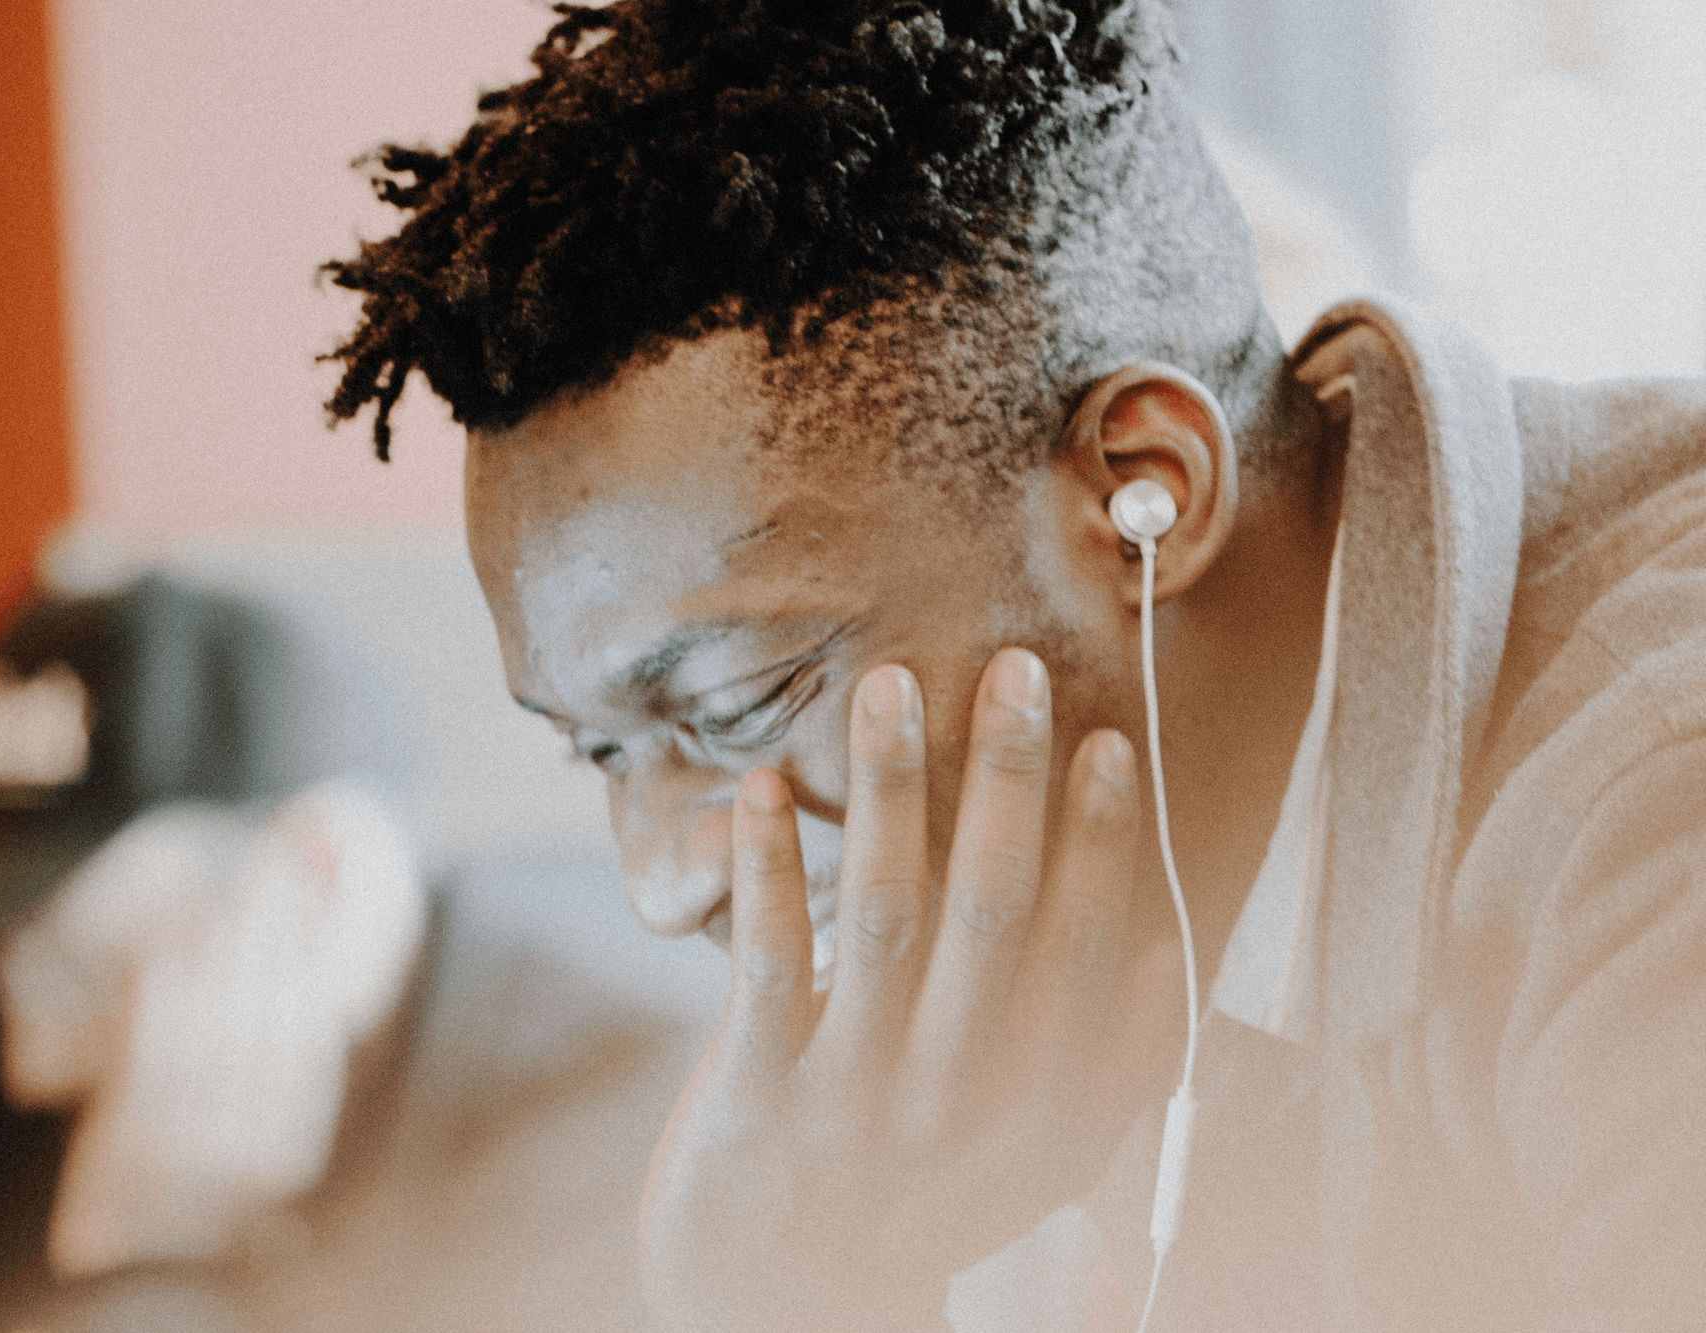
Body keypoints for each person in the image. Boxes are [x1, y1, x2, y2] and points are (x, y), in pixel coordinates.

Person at [320, 1, 1706, 1328]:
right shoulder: (1058, 909)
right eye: (604, 751)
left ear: (1143, 491)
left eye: (739, 705)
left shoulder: (1656, 791)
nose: (664, 880)